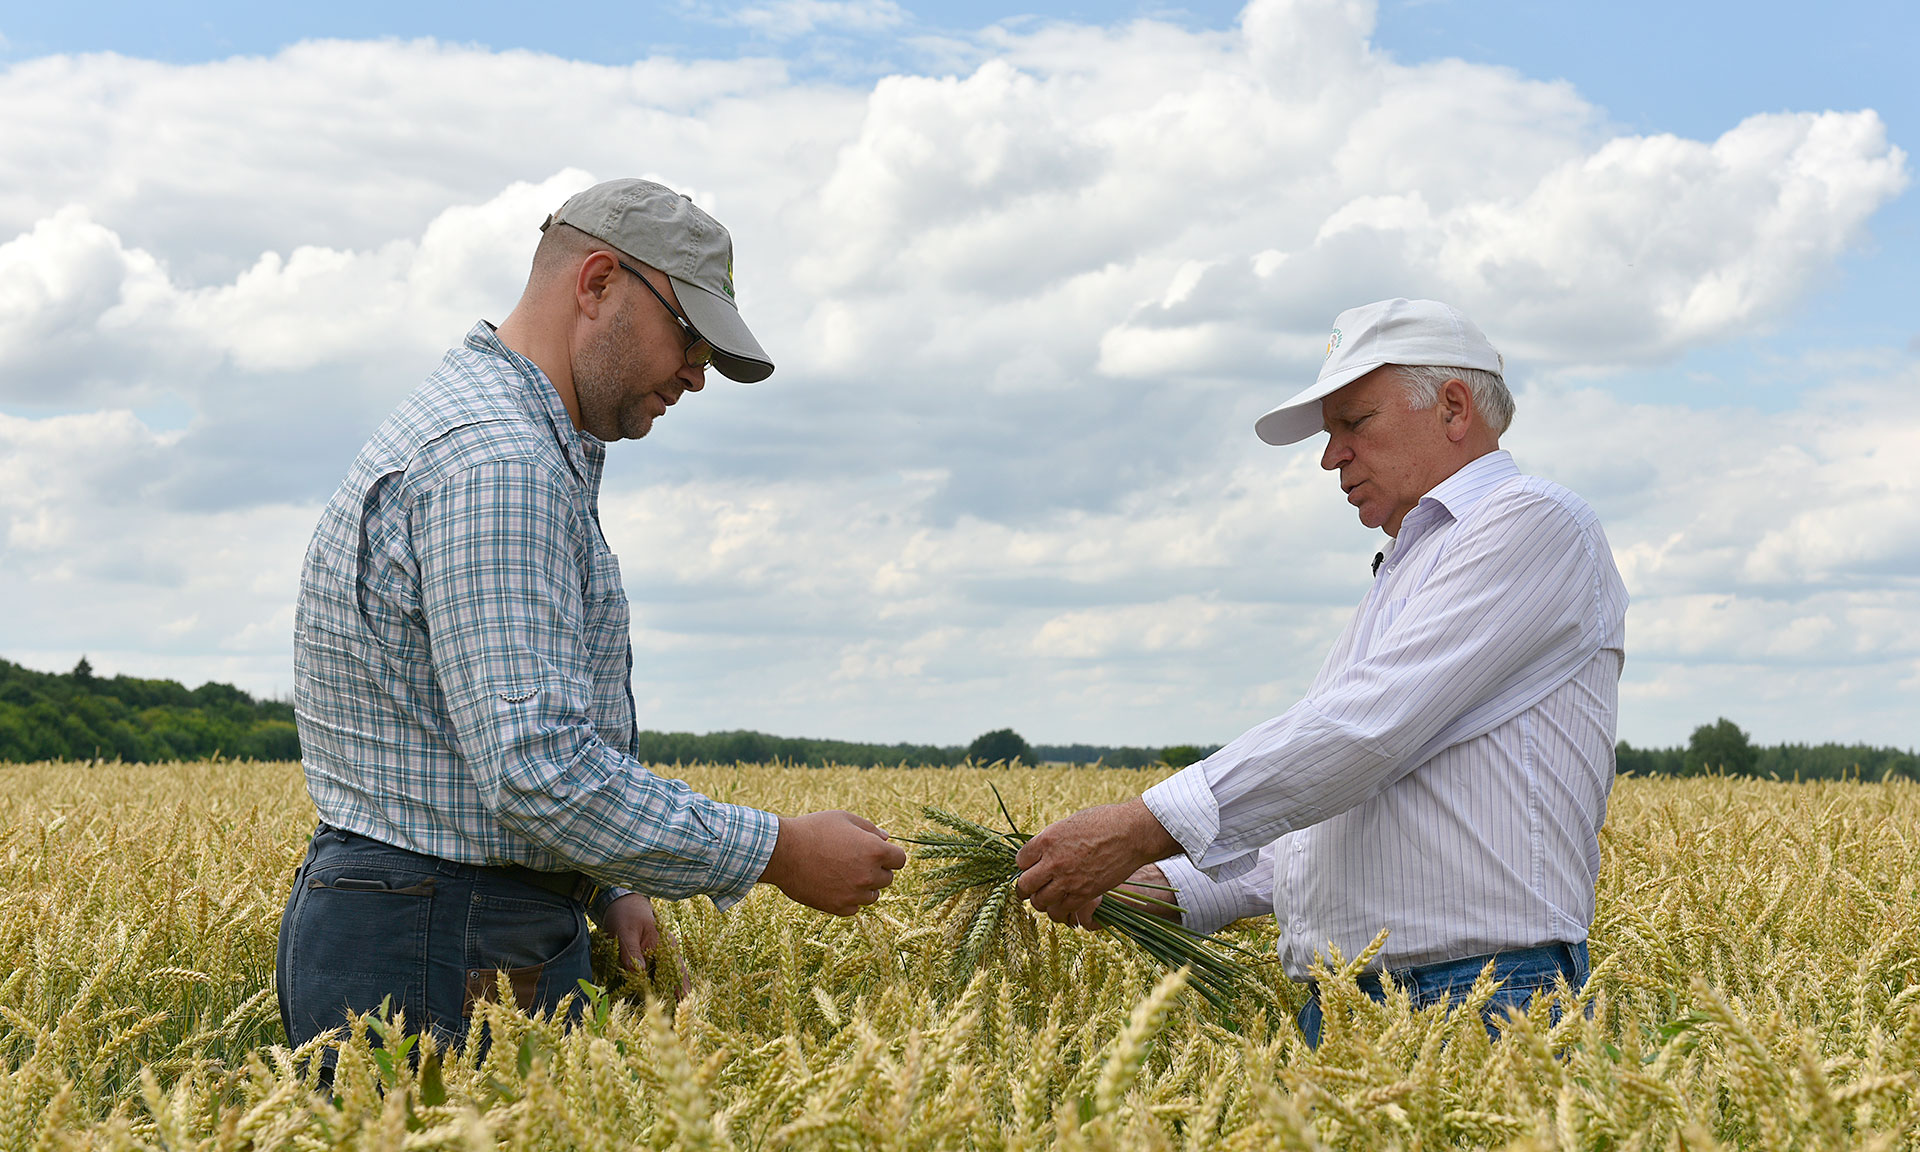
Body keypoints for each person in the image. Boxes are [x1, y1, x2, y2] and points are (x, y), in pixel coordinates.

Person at [277, 178, 907, 1053]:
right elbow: (536, 768)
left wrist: (611, 884)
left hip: (437, 922)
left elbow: (473, 742)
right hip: (443, 938)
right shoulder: (500, 463)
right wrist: (780, 852)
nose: (697, 374)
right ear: (598, 282)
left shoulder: (505, 437)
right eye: (688, 334)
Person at [1013, 299, 1628, 1043]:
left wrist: (1141, 829)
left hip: (1482, 996)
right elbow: (1331, 813)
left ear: (1453, 408)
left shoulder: (1531, 521)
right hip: (1360, 1001)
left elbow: (1360, 733)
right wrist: (1155, 887)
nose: (1331, 456)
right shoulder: (1410, 564)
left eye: (1354, 422)